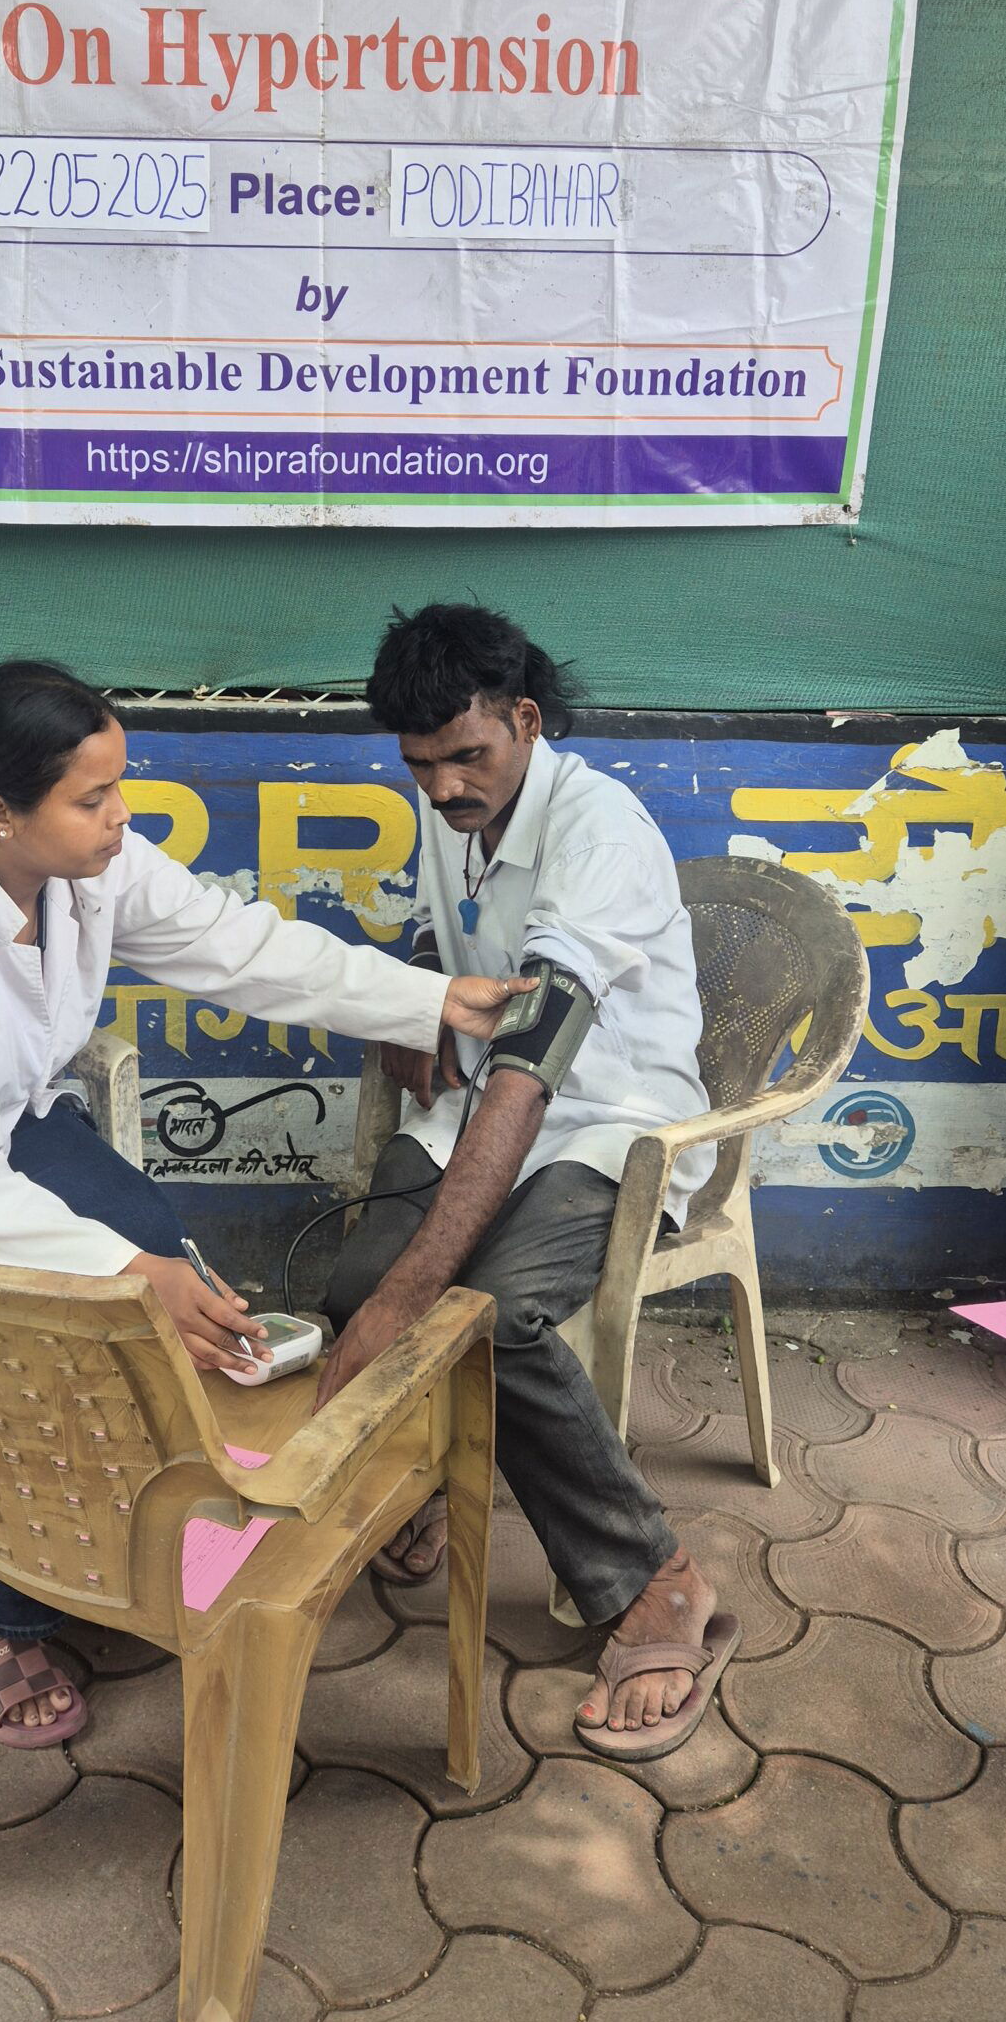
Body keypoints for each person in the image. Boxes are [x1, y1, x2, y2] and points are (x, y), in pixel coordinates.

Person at [0, 657, 523, 1748]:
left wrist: (434, 1000)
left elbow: (241, 948)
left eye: (118, 785)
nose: (120, 815)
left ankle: (124, 1524)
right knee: (60, 1330)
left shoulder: (91, 868)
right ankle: (2, 1614)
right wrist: (128, 1277)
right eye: (91, 798)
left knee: (162, 1260)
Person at [316, 603, 734, 1763]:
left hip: (608, 1119)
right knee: (349, 1290)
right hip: (480, 1102)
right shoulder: (448, 803)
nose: (443, 786)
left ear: (525, 720)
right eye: (420, 765)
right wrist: (413, 1004)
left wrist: (416, 1291)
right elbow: (443, 934)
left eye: (466, 756)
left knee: (485, 1316)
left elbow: (532, 1071)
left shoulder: (599, 834)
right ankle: (430, 1480)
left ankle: (655, 1580)